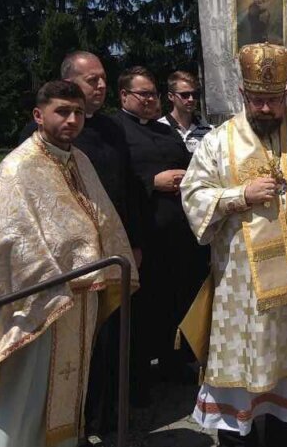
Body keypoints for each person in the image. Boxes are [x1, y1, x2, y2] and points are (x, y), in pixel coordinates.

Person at [0, 81, 138, 447]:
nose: (72, 120)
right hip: (35, 306)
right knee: (25, 397)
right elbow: (7, 242)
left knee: (70, 397)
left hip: (80, 299)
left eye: (78, 113)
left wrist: (107, 266)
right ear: (39, 115)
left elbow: (103, 220)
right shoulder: (18, 168)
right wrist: (56, 281)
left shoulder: (79, 160)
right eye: (62, 112)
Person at [180, 43, 287, 447]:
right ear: (243, 96)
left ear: (286, 97)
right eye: (258, 100)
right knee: (240, 392)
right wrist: (239, 194)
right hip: (243, 295)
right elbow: (193, 195)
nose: (266, 109)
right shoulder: (218, 143)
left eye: (273, 100)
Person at [18, 51, 144, 434]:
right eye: (93, 80)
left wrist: (134, 241)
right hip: (67, 266)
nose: (102, 85)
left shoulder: (110, 129)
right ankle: (72, 424)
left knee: (110, 343)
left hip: (110, 255)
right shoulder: (46, 142)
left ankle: (107, 420)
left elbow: (128, 189)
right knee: (74, 353)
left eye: (104, 78)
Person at [115, 66, 206, 381]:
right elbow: (116, 178)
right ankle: (139, 372)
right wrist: (152, 182)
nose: (150, 100)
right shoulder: (116, 131)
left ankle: (176, 360)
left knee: (177, 297)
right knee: (146, 305)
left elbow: (190, 166)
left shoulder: (164, 130)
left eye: (152, 94)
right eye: (143, 94)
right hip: (146, 231)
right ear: (124, 95)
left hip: (178, 233)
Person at [159, 70, 213, 153]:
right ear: (171, 96)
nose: (191, 99)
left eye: (195, 95)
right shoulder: (159, 128)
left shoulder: (209, 130)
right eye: (185, 95)